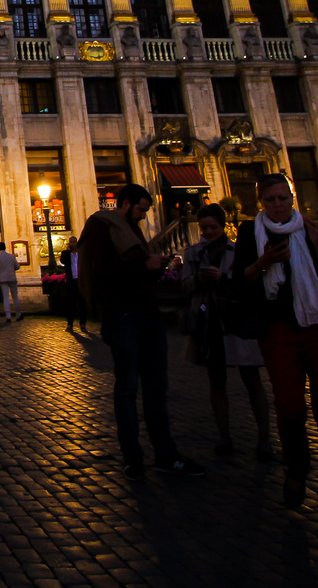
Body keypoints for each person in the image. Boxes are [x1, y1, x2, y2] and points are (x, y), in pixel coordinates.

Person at [233, 174, 318, 541]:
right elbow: (241, 281)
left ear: (292, 199)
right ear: (260, 202)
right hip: (279, 331)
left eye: (283, 198)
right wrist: (264, 262)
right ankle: (296, 467)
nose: (278, 205)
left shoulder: (309, 230)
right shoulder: (249, 234)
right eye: (270, 199)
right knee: (289, 409)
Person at [80, 183, 205, 481]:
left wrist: (156, 266)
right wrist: (144, 264)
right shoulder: (102, 226)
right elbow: (104, 269)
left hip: (148, 315)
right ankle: (132, 457)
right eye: (140, 209)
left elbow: (136, 268)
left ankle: (166, 453)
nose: (143, 215)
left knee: (156, 388)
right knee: (127, 389)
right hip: (123, 317)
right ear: (124, 204)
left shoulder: (131, 229)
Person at [182, 205, 273, 461]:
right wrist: (199, 279)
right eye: (204, 228)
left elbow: (249, 282)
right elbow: (185, 285)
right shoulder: (193, 253)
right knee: (216, 382)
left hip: (237, 320)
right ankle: (224, 436)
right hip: (208, 322)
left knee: (252, 380)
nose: (208, 232)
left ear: (223, 227)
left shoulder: (239, 251)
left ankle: (264, 439)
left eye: (213, 227)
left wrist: (223, 277)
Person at [61, 242, 87, 333]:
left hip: (80, 281)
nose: (72, 244)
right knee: (70, 303)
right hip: (71, 281)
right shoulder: (66, 254)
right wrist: (68, 251)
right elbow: (63, 261)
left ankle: (83, 323)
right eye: (71, 242)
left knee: (82, 303)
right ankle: (70, 324)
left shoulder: (81, 254)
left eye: (74, 242)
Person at [0, 241, 21, 323]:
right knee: (15, 297)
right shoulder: (11, 256)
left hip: (3, 279)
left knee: (6, 298)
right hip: (12, 278)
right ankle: (18, 315)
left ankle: (8, 316)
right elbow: (17, 266)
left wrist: (0, 270)